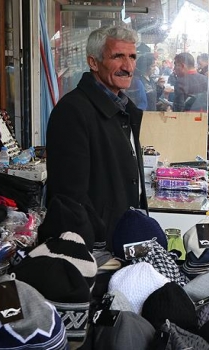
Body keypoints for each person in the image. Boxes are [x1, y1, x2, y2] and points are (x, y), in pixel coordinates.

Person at [46, 25, 148, 252]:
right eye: (118, 56)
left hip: (121, 235)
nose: (128, 66)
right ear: (93, 62)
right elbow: (70, 194)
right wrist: (96, 241)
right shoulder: (73, 111)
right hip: (97, 246)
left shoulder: (123, 108)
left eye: (132, 56)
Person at [172, 52, 209, 117]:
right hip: (205, 123)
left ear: (182, 66)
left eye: (176, 65)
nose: (174, 69)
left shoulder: (180, 82)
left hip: (187, 123)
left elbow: (178, 109)